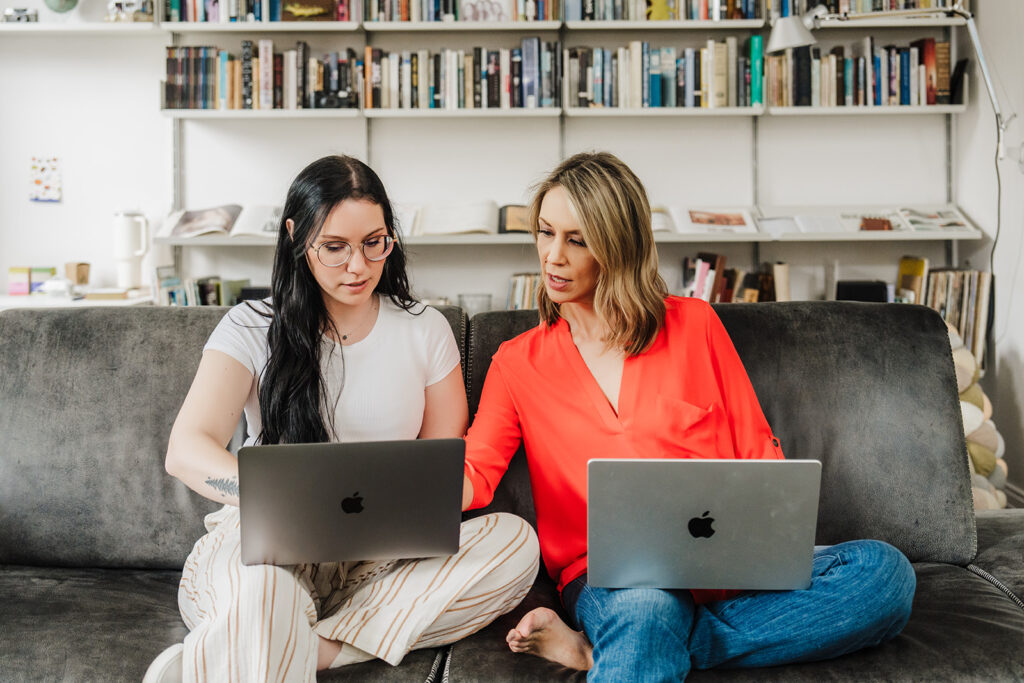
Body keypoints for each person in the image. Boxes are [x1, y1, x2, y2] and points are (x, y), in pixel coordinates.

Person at [459, 151, 916, 681]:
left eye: (576, 239)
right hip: (615, 577)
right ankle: (636, 636)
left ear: (617, 246)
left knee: (885, 575)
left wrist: (766, 539)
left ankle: (600, 651)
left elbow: (759, 454)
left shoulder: (695, 326)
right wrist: (418, 489)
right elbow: (477, 469)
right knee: (648, 609)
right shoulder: (518, 361)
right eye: (545, 233)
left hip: (727, 565)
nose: (552, 256)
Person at [144, 155, 539, 683]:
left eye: (374, 243)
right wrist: (273, 497)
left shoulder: (425, 329)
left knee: (515, 544)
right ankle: (298, 634)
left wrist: (410, 511)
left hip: (382, 562)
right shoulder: (251, 325)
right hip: (266, 547)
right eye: (334, 248)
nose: (358, 266)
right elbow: (187, 449)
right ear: (295, 236)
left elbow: (443, 463)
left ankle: (284, 650)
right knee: (263, 595)